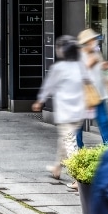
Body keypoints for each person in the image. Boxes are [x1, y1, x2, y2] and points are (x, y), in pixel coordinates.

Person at [32, 36, 86, 181]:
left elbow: (48, 86)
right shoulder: (81, 66)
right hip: (80, 111)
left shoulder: (59, 68)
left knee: (69, 143)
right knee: (65, 140)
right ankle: (57, 168)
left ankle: (79, 178)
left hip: (65, 112)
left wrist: (40, 100)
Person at [76, 29, 108, 149]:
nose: (95, 42)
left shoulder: (96, 53)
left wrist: (104, 66)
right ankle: (77, 150)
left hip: (99, 95)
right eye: (92, 40)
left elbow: (100, 72)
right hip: (84, 95)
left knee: (104, 122)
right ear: (87, 42)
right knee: (78, 124)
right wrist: (89, 64)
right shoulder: (79, 56)